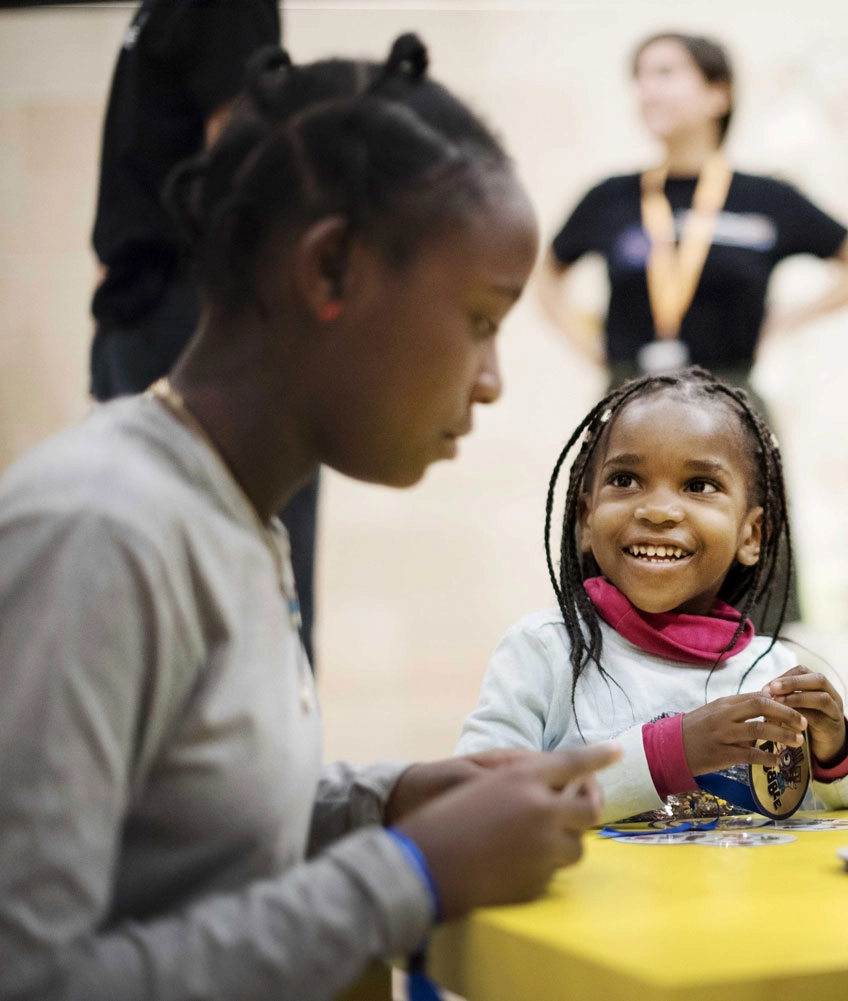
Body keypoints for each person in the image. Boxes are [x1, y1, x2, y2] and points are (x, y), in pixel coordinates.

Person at [0, 37, 618, 1001]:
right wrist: (406, 874)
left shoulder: (236, 516)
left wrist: (384, 801)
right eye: (482, 320)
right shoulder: (98, 529)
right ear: (330, 268)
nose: (492, 382)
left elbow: (178, 829)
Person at [456, 367, 848, 825]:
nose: (658, 510)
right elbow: (474, 807)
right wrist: (671, 753)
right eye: (626, 480)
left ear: (750, 535)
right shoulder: (545, 650)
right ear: (587, 518)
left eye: (699, 486)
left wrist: (836, 749)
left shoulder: (772, 671)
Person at [88, 0, 323, 665]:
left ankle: (268, 750)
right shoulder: (161, 12)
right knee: (144, 563)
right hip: (146, 308)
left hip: (188, 309)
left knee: (232, 563)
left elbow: (238, 149)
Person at [532, 31, 848, 392]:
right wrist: (584, 342)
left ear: (719, 94)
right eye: (639, 78)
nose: (646, 90)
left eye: (665, 73)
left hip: (728, 399)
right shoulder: (610, 197)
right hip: (629, 397)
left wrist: (787, 320)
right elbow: (547, 273)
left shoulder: (767, 198)